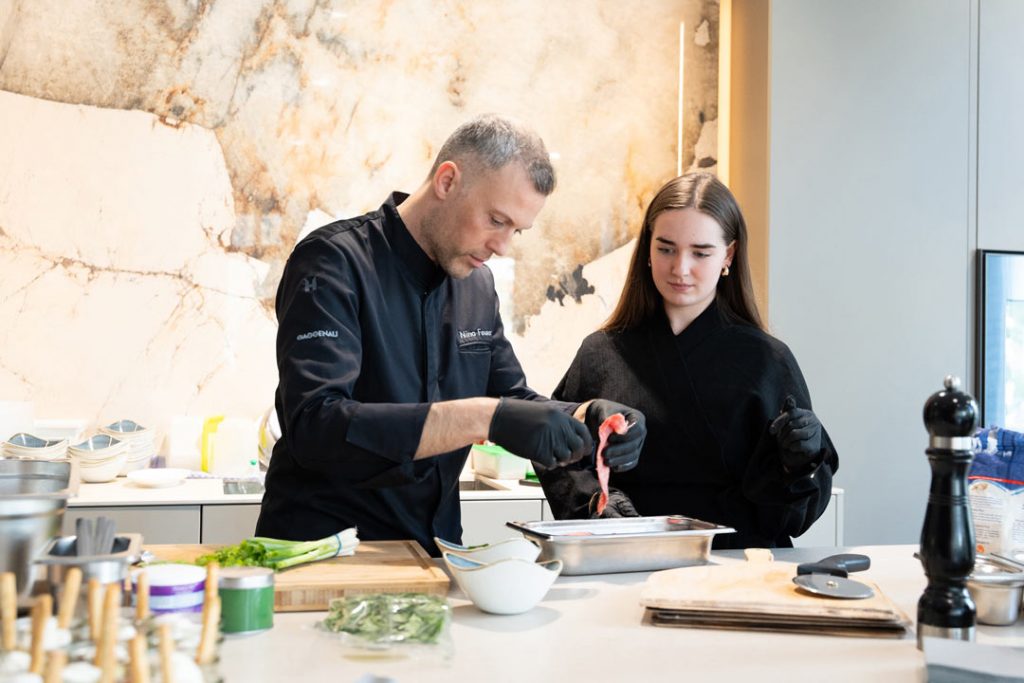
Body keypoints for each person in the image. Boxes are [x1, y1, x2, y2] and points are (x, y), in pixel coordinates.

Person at [256, 115, 647, 556]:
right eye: (496, 219)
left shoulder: (476, 285)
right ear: (447, 180)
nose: (503, 246)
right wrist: (484, 418)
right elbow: (316, 425)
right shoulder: (332, 263)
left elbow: (510, 396)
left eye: (516, 230)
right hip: (328, 553)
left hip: (434, 554)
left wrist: (587, 417)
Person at [537, 172, 838, 549]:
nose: (680, 268)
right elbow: (555, 447)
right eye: (666, 248)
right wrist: (595, 502)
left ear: (728, 255)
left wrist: (803, 458)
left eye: (700, 252)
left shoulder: (768, 360)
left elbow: (794, 513)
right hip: (626, 559)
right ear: (647, 249)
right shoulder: (600, 354)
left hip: (741, 566)